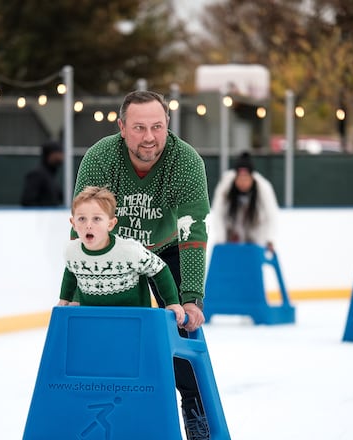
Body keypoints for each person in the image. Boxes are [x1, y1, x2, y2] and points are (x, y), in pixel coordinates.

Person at [73, 90, 211, 440]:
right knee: (108, 338)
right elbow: (84, 228)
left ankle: (195, 413)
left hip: (168, 249)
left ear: (167, 125)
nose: (149, 137)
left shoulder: (186, 162)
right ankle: (106, 415)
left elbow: (193, 232)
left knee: (181, 331)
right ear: (121, 127)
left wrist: (192, 296)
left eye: (157, 127)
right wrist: (77, 291)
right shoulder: (101, 158)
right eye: (138, 128)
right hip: (116, 253)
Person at [57, 186, 186, 325]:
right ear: (73, 223)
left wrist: (172, 302)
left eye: (97, 219)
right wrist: (65, 298)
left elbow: (159, 268)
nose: (88, 225)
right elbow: (71, 270)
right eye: (82, 219)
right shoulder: (72, 251)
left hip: (134, 321)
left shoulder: (129, 250)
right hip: (96, 321)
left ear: (111, 224)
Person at [210, 151, 279, 252]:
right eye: (240, 178)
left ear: (252, 177)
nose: (243, 182)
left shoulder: (263, 187)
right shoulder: (225, 186)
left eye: (246, 178)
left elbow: (272, 214)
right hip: (232, 233)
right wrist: (221, 238)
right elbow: (218, 213)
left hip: (256, 234)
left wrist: (269, 239)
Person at [20, 140, 64, 206]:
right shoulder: (37, 175)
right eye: (59, 153)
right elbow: (27, 201)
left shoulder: (50, 175)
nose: (61, 157)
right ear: (50, 155)